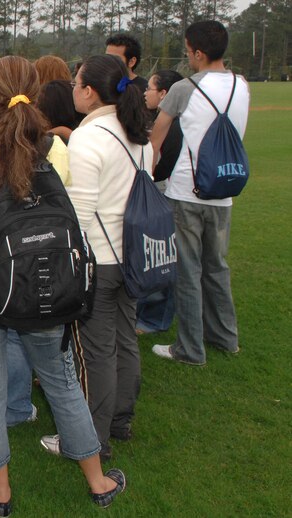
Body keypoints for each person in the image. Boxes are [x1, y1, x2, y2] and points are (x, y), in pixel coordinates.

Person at [0, 56, 126, 516]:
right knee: (62, 383)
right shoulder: (57, 150)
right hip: (46, 285)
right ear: (37, 96)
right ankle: (98, 481)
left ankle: (0, 490)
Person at [63, 53, 152, 461]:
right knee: (124, 341)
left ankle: (93, 439)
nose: (72, 88)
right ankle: (120, 420)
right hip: (131, 255)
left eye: (76, 81)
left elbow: (80, 214)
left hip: (99, 258)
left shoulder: (88, 137)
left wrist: (72, 266)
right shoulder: (136, 130)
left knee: (96, 352)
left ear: (90, 91)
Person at [150, 20, 248, 365]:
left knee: (188, 271)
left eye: (188, 51)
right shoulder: (242, 85)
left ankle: (189, 349)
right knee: (217, 267)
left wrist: (146, 177)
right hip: (224, 190)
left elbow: (156, 141)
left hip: (186, 193)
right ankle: (225, 337)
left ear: (198, 52)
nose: (187, 57)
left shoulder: (185, 88)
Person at [134, 69, 184, 335]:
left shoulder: (172, 124)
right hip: (160, 192)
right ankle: (148, 314)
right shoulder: (160, 119)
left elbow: (163, 164)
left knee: (161, 258)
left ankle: (156, 318)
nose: (145, 93)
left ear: (164, 94)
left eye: (150, 89)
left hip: (164, 193)